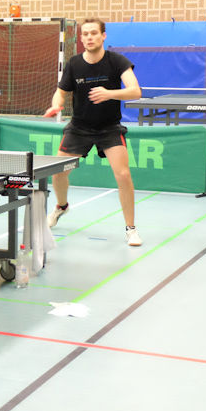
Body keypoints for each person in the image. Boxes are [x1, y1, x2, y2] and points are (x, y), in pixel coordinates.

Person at [44, 18, 143, 246]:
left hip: (109, 128)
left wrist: (109, 94)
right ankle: (61, 206)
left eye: (94, 33)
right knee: (58, 173)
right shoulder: (74, 64)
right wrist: (57, 104)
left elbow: (135, 91)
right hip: (79, 127)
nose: (89, 37)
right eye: (85, 34)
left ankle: (131, 229)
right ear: (81, 38)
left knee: (123, 175)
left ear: (103, 36)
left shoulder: (117, 61)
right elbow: (61, 92)